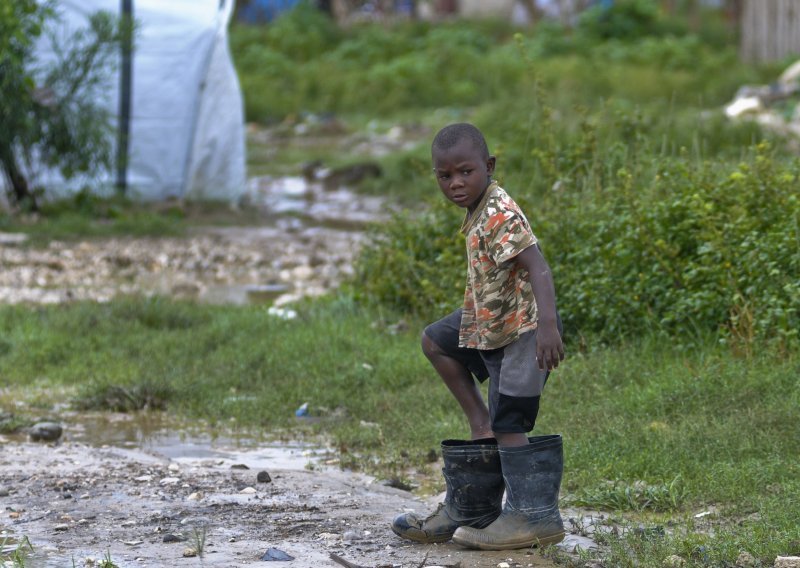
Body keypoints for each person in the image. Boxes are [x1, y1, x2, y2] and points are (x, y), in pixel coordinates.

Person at [391, 123, 566, 550]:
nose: (455, 184)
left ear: (488, 167)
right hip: (488, 321)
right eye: (444, 176)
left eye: (465, 172)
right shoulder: (477, 208)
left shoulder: (498, 212)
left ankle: (531, 517)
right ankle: (475, 492)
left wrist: (547, 326)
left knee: (511, 418)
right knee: (437, 340)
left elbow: (537, 266)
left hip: (523, 330)